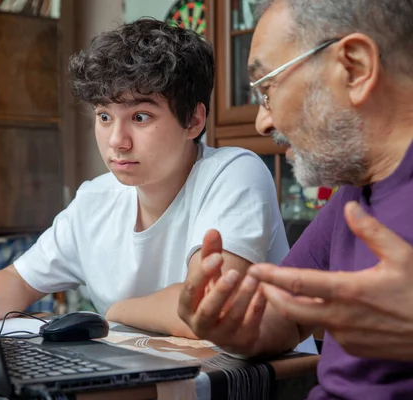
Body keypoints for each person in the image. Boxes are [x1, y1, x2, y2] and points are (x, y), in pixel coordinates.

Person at [0, 18, 289, 339]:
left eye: (140, 117)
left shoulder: (234, 172)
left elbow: (207, 306)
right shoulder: (94, 200)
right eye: (104, 116)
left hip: (246, 382)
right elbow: (15, 283)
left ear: (194, 121)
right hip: (144, 377)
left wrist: (116, 311)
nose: (117, 140)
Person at [177, 0, 413, 398]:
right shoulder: (354, 191)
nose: (262, 121)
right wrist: (235, 328)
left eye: (267, 89)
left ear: (353, 68)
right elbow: (282, 317)